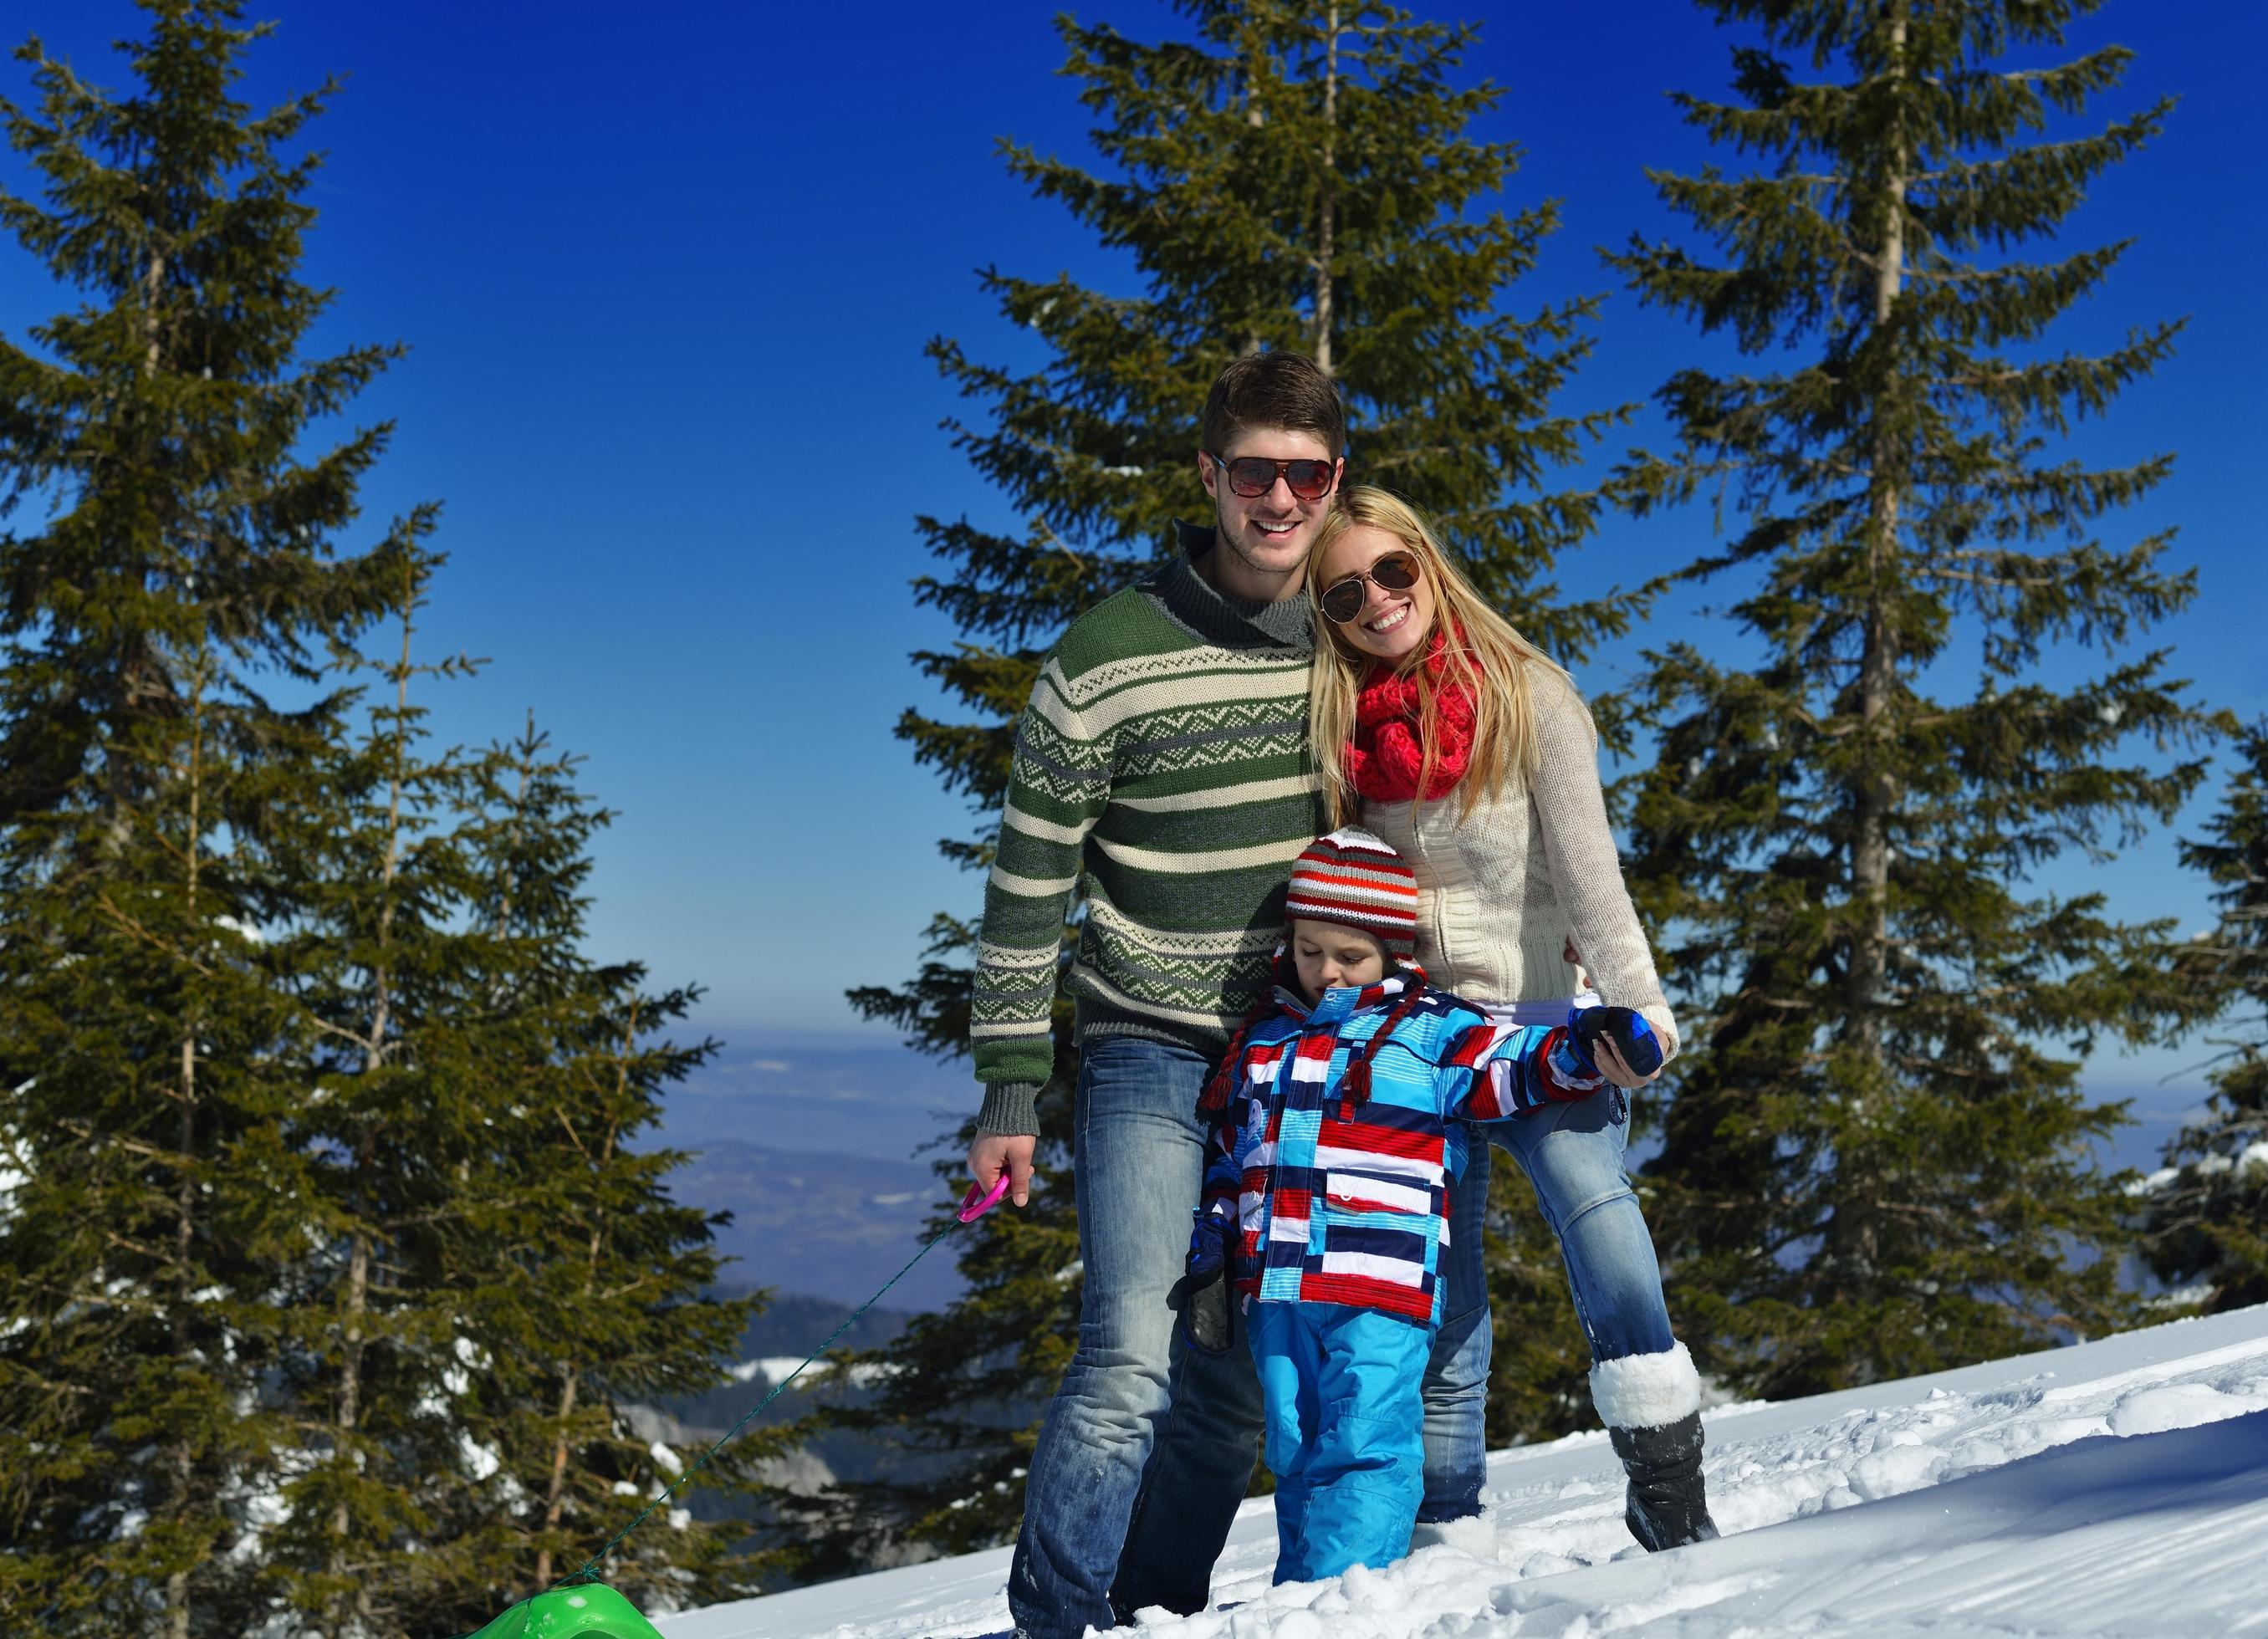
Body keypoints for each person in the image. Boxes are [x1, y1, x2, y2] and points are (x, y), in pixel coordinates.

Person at [962, 350, 1343, 1639]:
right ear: (1209, 475)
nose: (1278, 500)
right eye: (1254, 471)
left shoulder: (1350, 645)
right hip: (1143, 1047)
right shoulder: (1106, 655)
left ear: (1335, 483)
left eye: (1306, 474)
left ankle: (1153, 1615)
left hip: (1293, 1061)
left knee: (1230, 1383)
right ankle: (1055, 1625)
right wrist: (1010, 1090)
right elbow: (1028, 881)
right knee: (1131, 1352)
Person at [1300, 483, 1719, 1555]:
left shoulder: (1530, 698)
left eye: (1394, 571)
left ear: (1431, 565)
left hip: (1536, 1026)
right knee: (1442, 1288)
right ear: (1330, 617)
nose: (1378, 600)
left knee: (1601, 1220)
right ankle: (1449, 1524)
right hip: (1414, 1048)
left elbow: (1592, 879)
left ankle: (1669, 1489)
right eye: (1347, 592)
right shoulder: (1343, 734)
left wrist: (1640, 1010)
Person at [1185, 827, 1661, 1584]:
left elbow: (1511, 1069)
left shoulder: (1431, 1031)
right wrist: (1215, 1246)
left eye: (1350, 955)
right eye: (1310, 950)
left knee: (1365, 1439)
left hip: (1379, 1283)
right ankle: (1302, 1593)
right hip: (1277, 1286)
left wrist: (1584, 1042)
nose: (1326, 972)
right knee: (1294, 1444)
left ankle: (1345, 1597)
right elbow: (1231, 1154)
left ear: (1390, 950)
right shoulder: (1264, 1040)